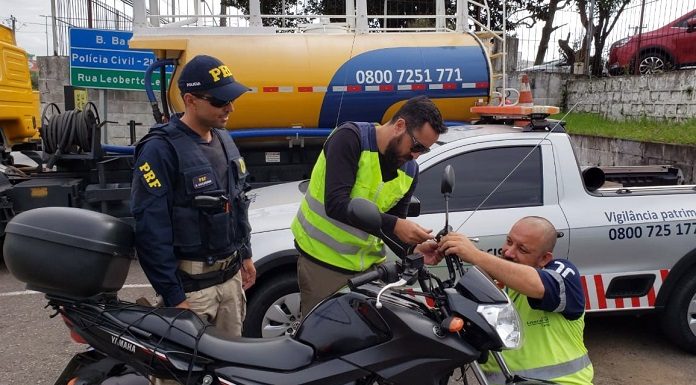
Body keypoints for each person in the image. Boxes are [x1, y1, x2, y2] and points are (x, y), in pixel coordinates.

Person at [131, 55, 256, 340]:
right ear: (190, 100)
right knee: (183, 372)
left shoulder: (224, 138)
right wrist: (175, 298)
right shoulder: (159, 150)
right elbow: (151, 230)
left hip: (231, 280)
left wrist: (245, 254)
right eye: (220, 102)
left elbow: (237, 203)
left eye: (231, 100)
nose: (230, 108)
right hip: (193, 291)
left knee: (229, 367)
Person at [291, 95, 448, 317]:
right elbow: (336, 204)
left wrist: (413, 249)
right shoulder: (350, 139)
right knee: (323, 341)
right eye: (416, 146)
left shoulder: (409, 170)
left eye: (424, 151)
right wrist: (395, 225)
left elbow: (386, 228)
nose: (416, 155)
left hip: (370, 272)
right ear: (400, 126)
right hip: (324, 266)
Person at [437, 216, 593, 385]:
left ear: (544, 259)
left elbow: (537, 285)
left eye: (522, 249)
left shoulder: (562, 273)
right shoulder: (495, 284)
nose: (509, 252)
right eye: (509, 241)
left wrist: (475, 255)